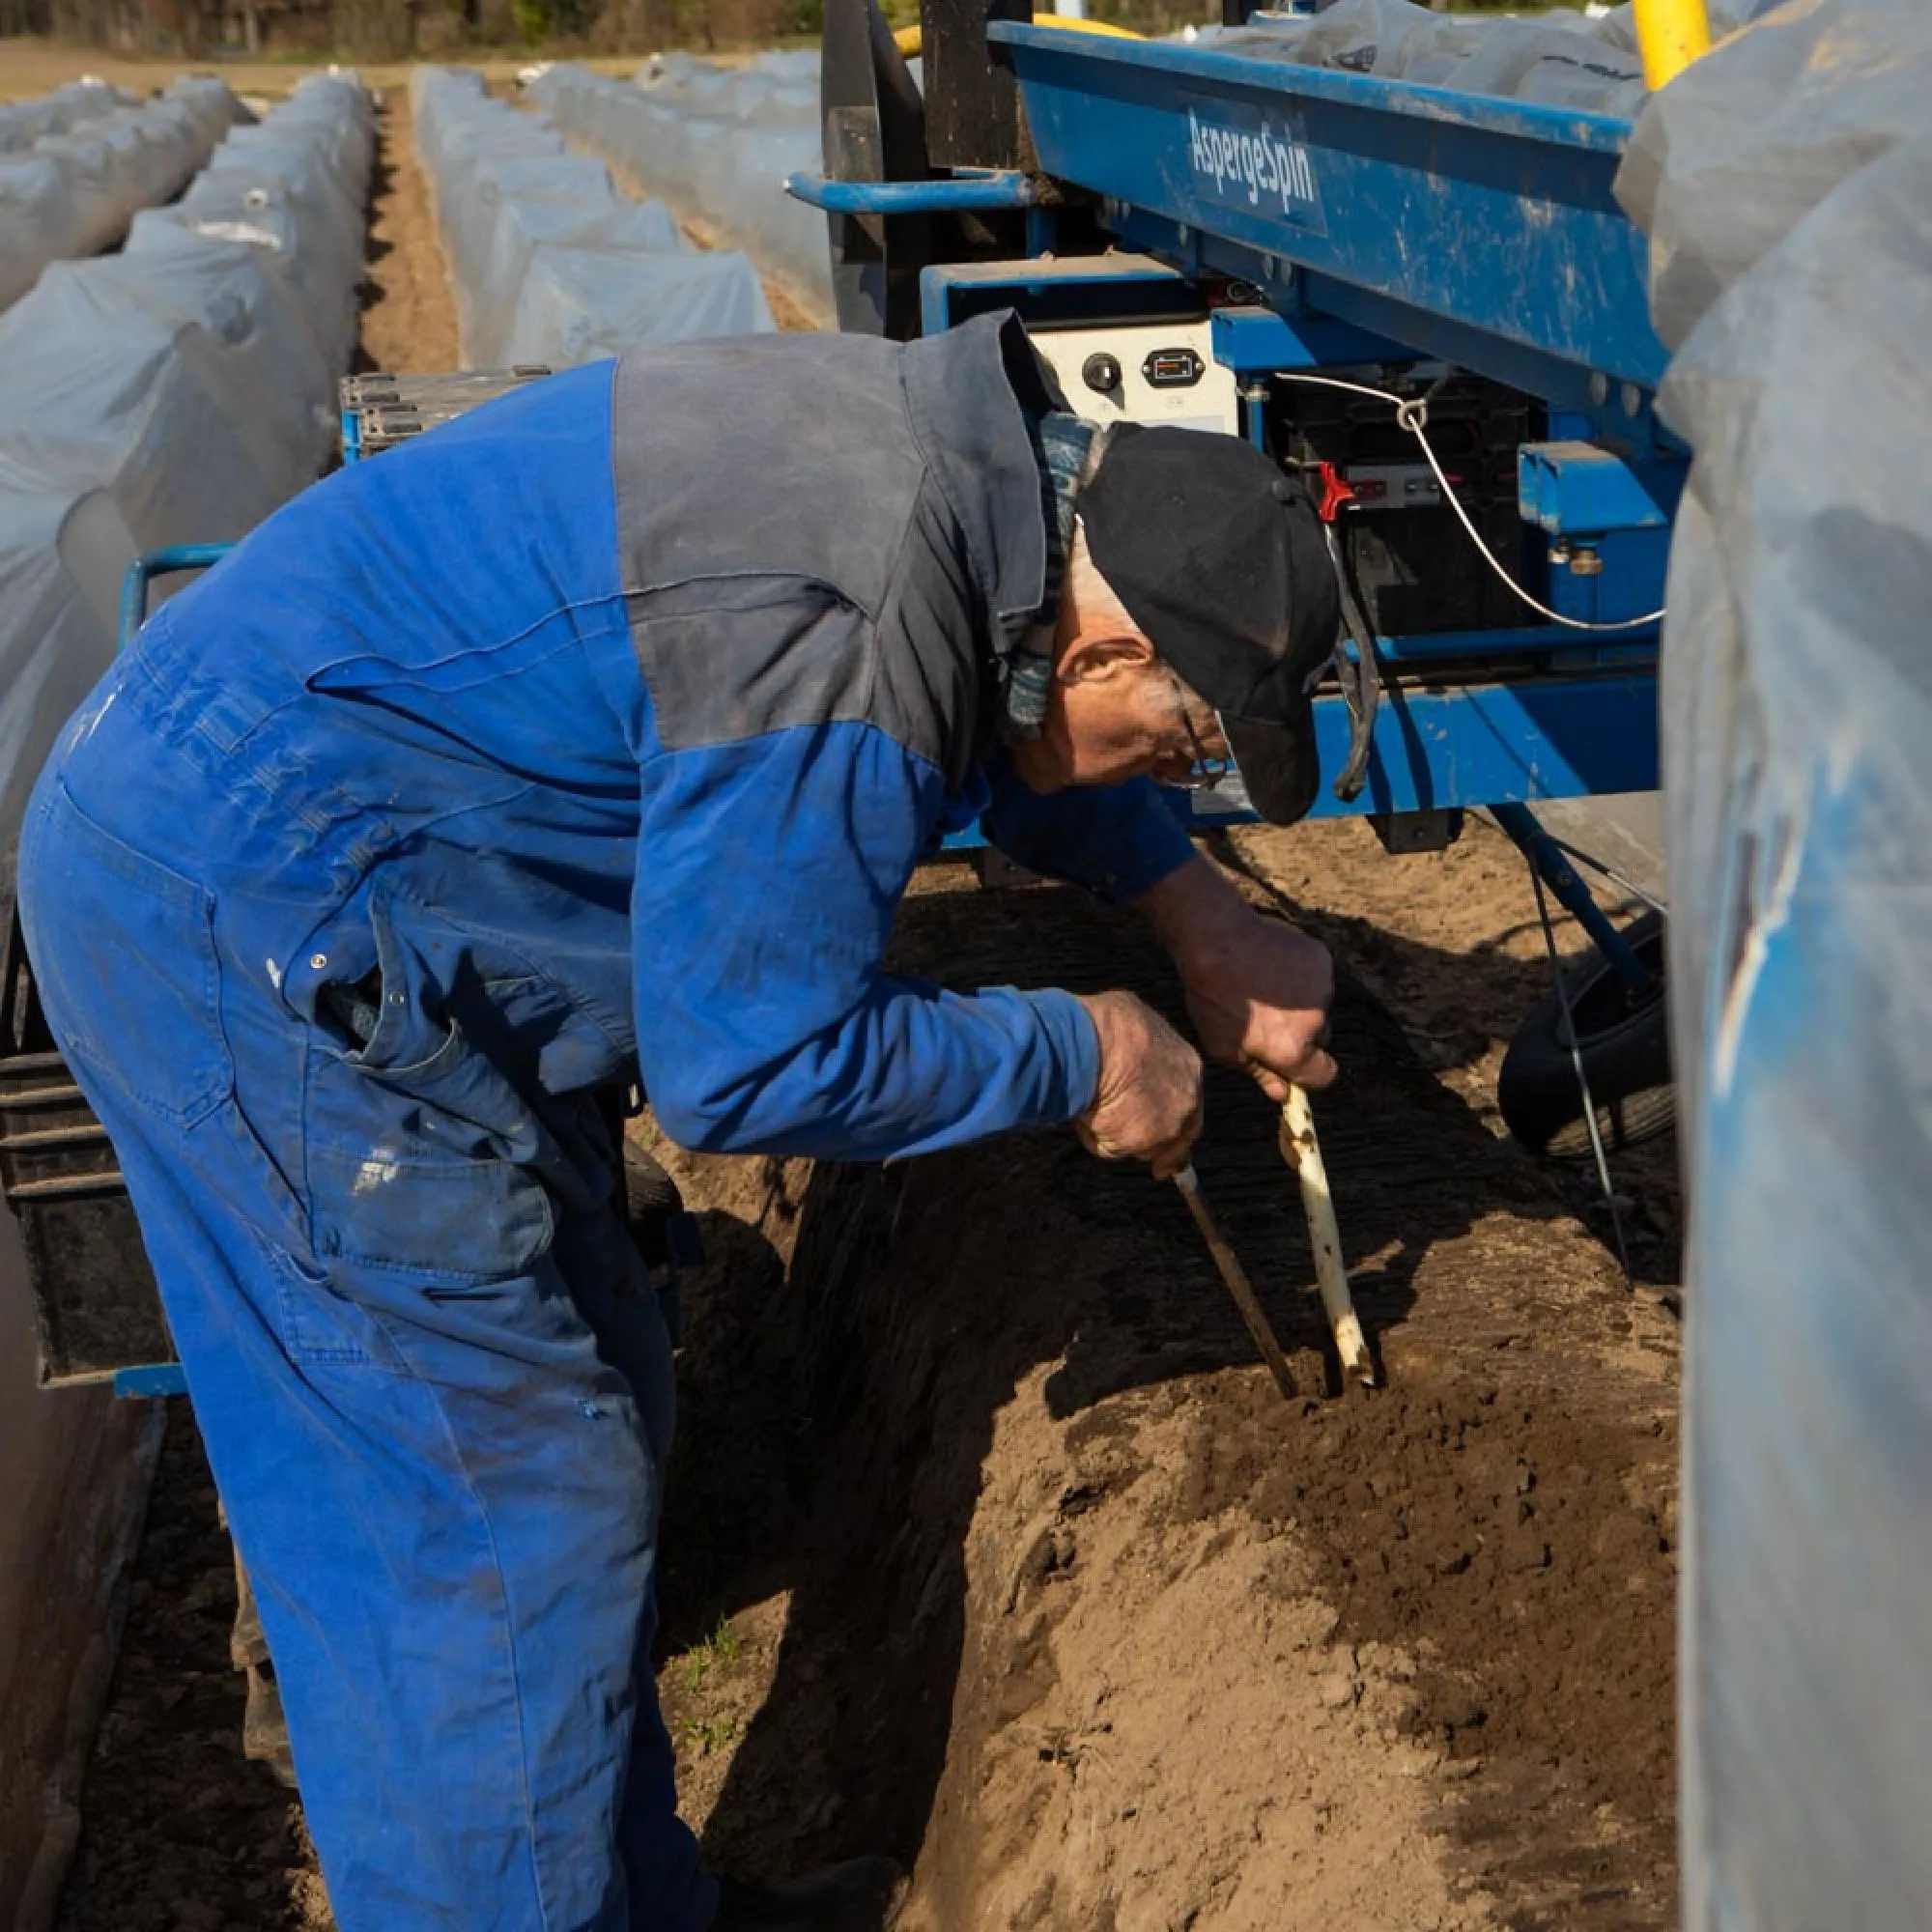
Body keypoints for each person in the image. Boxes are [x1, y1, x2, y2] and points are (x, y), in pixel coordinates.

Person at [17, 312, 1339, 1931]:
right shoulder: (844, 623)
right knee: (494, 1512)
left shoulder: (971, 492)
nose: (1174, 772)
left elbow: (1008, 712)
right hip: (252, 913)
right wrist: (1080, 1048)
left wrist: (1195, 911)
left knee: (601, 1385)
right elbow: (755, 1065)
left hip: (332, 854)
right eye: (1186, 743)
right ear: (1107, 653)